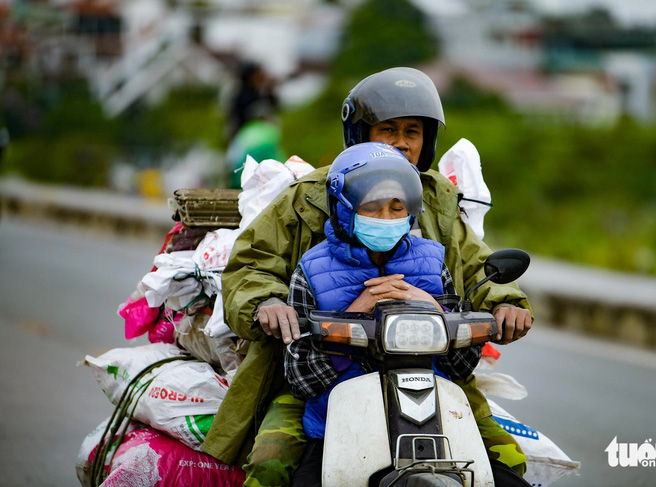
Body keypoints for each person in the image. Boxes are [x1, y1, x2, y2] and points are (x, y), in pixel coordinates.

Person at [202, 67, 532, 486]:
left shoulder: (437, 200)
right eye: (387, 129)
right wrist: (267, 303)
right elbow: (252, 263)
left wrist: (505, 303)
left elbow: (475, 264)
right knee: (271, 461)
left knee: (503, 460)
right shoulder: (311, 197)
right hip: (322, 371)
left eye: (412, 131)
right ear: (360, 135)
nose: (400, 142)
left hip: (424, 370)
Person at [285, 142, 490, 486]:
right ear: (344, 210)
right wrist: (353, 313)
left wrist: (433, 307)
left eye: (397, 208)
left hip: (434, 423)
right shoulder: (311, 270)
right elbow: (299, 376)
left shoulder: (433, 261)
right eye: (373, 207)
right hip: (338, 425)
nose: (386, 218)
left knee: (503, 476)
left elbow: (460, 366)